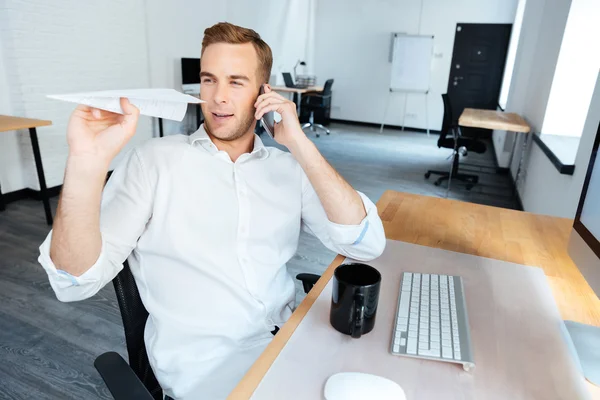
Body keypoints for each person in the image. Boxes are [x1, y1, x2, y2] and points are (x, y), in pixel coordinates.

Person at [38, 22, 385, 399]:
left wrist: (299, 143)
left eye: (236, 82)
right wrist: (85, 164)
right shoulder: (154, 162)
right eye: (209, 80)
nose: (218, 97)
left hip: (289, 341)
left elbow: (365, 243)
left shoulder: (288, 169)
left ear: (263, 93)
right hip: (208, 368)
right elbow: (72, 282)